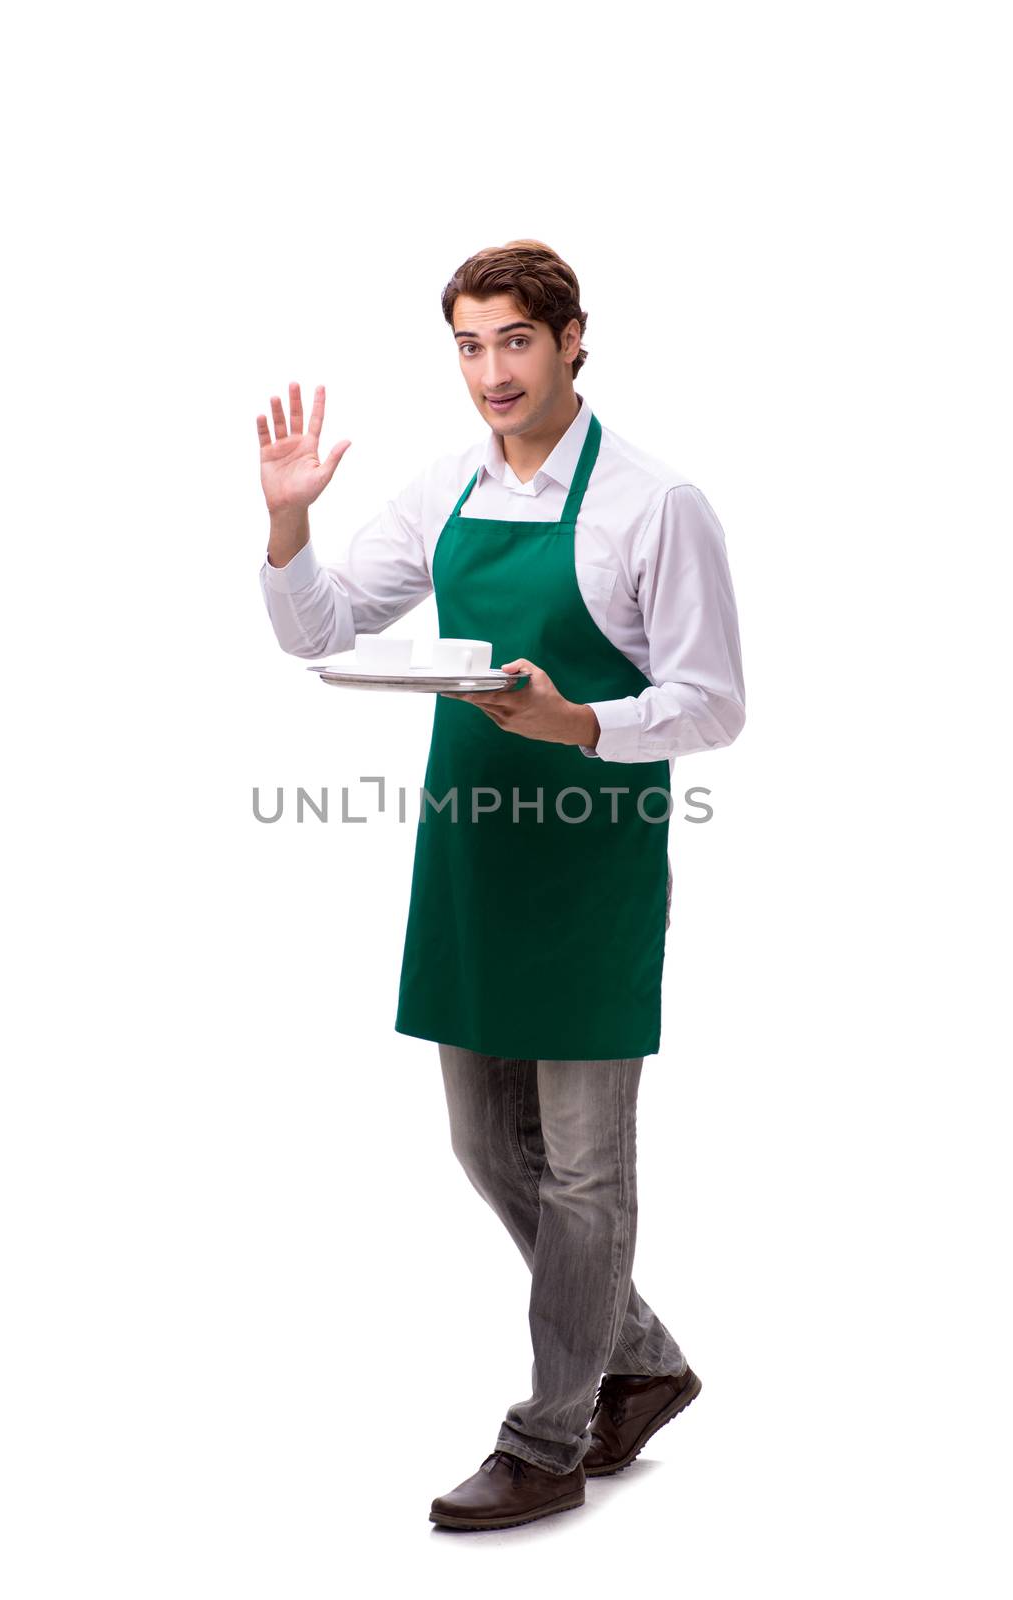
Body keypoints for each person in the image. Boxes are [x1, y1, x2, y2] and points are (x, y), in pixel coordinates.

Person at [256, 240, 746, 1532]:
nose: (492, 372)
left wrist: (581, 724)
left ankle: (549, 1434)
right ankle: (638, 1359)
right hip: (470, 858)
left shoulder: (656, 502)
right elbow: (321, 628)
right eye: (469, 346)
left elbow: (715, 703)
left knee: (587, 1174)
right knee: (485, 1144)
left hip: (591, 868)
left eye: (515, 341)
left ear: (575, 337)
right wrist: (289, 518)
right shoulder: (449, 488)